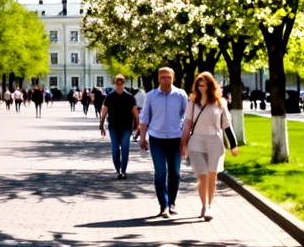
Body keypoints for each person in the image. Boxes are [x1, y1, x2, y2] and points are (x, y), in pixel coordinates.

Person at [181, 71, 239, 221]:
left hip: (215, 141)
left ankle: (210, 205)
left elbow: (226, 125)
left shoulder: (220, 103)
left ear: (211, 86)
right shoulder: (192, 103)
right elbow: (187, 124)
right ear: (196, 87)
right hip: (196, 142)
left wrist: (234, 144)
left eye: (206, 85)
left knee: (212, 175)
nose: (203, 88)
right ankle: (204, 205)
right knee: (202, 175)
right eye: (200, 85)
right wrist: (183, 142)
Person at [139, 67, 187, 218]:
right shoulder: (151, 96)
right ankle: (163, 205)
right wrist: (142, 137)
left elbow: (187, 118)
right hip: (157, 139)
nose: (166, 80)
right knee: (160, 172)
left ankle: (172, 203)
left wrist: (185, 140)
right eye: (163, 77)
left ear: (173, 78)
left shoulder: (180, 95)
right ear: (158, 79)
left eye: (169, 77)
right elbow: (145, 117)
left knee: (175, 173)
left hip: (175, 139)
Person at [99, 75, 140, 179]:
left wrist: (138, 125)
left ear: (124, 83)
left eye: (121, 82)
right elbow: (104, 111)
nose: (119, 84)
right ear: (114, 83)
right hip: (113, 126)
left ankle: (123, 170)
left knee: (125, 148)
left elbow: (135, 112)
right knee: (115, 148)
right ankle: (117, 169)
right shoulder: (110, 97)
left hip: (126, 127)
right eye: (117, 82)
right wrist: (101, 125)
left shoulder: (130, 97)